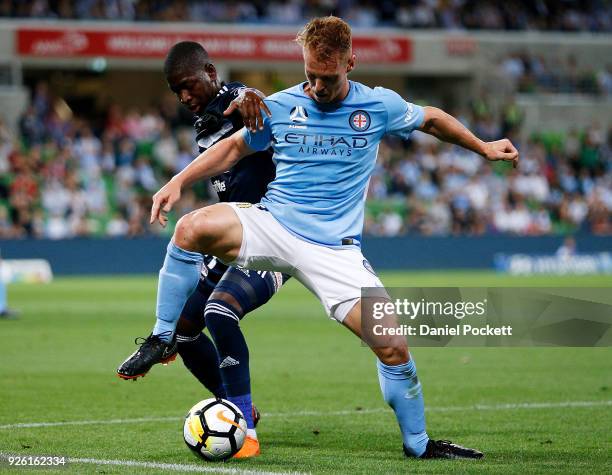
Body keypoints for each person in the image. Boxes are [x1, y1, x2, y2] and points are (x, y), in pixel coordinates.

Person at [147, 17, 519, 460]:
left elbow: (432, 120)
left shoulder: (378, 105)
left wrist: (484, 147)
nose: (318, 87)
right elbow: (231, 150)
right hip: (275, 226)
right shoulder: (280, 106)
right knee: (190, 227)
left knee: (394, 347)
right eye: (310, 76)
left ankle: (419, 445)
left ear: (351, 63)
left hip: (335, 251)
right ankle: (163, 335)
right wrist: (176, 182)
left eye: (327, 77)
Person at [116, 41, 289, 458]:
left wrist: (253, 96)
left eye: (189, 85)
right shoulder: (205, 122)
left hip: (275, 236)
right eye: (177, 91)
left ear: (210, 72)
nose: (185, 97)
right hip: (235, 238)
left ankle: (244, 428)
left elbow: (257, 102)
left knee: (218, 313)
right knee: (185, 329)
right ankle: (234, 405)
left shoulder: (237, 101)